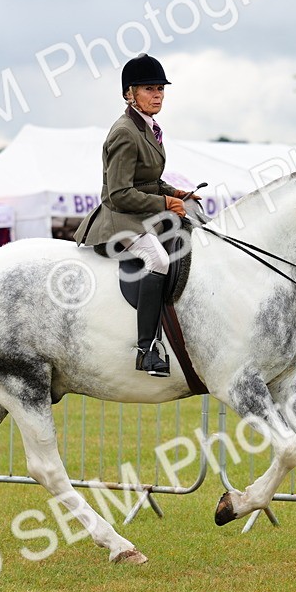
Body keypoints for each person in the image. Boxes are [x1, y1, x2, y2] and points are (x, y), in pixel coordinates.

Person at [74, 53, 202, 377]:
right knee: (158, 259)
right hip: (118, 220)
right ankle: (146, 350)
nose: (157, 95)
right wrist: (163, 205)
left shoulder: (149, 128)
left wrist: (176, 194)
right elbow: (118, 193)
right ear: (129, 94)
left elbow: (149, 181)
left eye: (160, 89)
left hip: (139, 215)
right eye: (149, 89)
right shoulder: (124, 133)